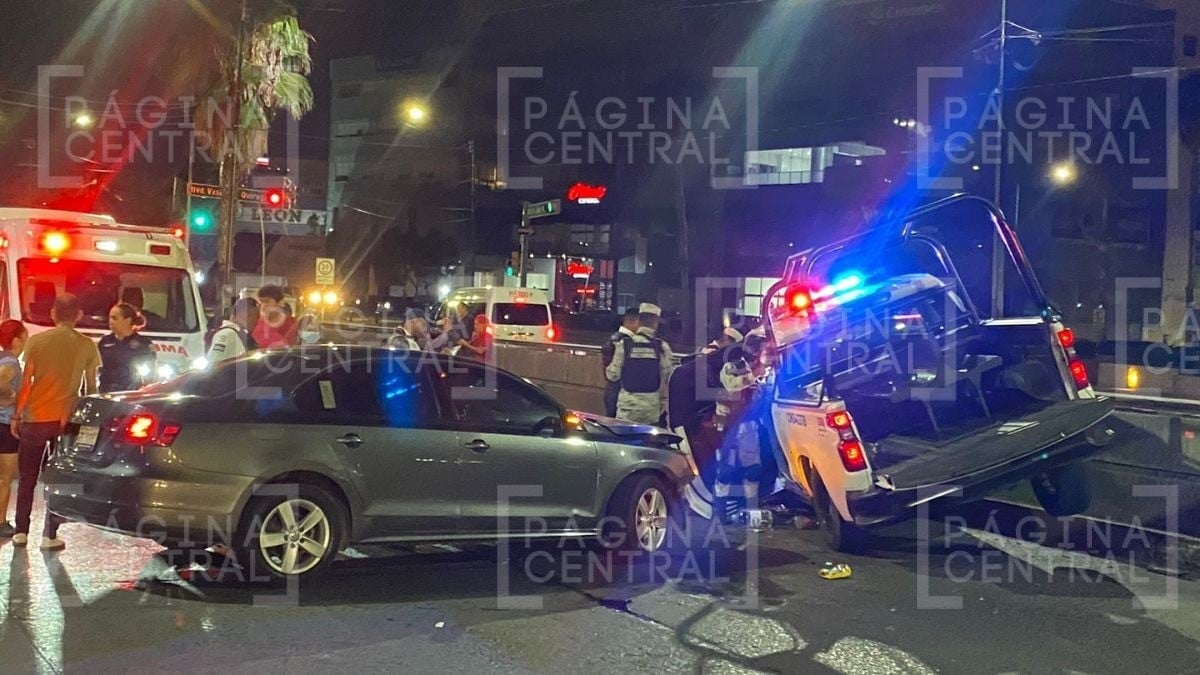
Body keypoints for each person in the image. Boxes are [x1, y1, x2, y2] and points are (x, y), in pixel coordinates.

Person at [11, 294, 102, 550]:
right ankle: (49, 534)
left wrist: (18, 415)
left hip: (34, 419)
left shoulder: (37, 341)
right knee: (58, 478)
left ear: (53, 313)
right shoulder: (86, 345)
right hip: (65, 422)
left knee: (27, 477)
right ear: (79, 315)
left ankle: (21, 531)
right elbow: (92, 388)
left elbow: (27, 382)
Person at [713, 330, 770, 524]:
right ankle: (719, 515)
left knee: (752, 469)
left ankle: (751, 512)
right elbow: (732, 386)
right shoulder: (732, 367)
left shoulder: (763, 371)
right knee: (725, 470)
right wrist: (755, 374)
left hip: (749, 427)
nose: (764, 353)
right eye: (762, 349)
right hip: (727, 425)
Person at [605, 303, 673, 425]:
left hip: (628, 409)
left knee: (625, 441)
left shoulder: (624, 345)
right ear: (655, 323)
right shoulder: (662, 347)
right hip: (651, 410)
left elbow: (612, 375)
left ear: (639, 321)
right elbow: (669, 376)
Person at [0, 320, 27, 538]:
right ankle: (0, 522)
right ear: (17, 339)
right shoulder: (11, 362)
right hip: (5, 425)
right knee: (4, 477)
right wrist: (8, 395)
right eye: (25, 336)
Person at [98, 303, 156, 394]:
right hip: (106, 393)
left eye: (115, 318)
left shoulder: (143, 344)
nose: (110, 321)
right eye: (109, 318)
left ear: (128, 320)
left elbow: (149, 374)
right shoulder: (105, 342)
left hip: (132, 394)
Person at [600, 308, 639, 417]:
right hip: (620, 392)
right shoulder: (625, 342)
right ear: (634, 321)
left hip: (612, 391)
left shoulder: (615, 338)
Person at [207, 297, 260, 364]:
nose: (256, 321)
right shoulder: (228, 334)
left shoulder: (239, 335)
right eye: (257, 316)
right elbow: (214, 361)